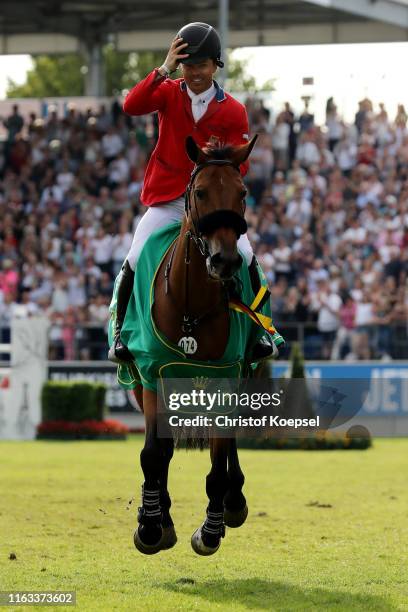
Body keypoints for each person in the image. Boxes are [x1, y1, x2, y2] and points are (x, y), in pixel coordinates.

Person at [108, 22, 284, 364]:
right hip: (169, 199)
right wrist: (163, 69)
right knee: (135, 254)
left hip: (210, 203)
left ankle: (264, 330)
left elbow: (240, 168)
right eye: (188, 65)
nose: (194, 73)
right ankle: (119, 334)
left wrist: (214, 173)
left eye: (201, 65)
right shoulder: (167, 91)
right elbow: (131, 105)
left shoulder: (234, 110)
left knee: (246, 255)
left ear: (216, 65)